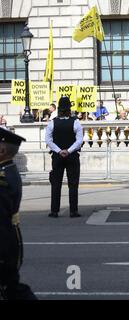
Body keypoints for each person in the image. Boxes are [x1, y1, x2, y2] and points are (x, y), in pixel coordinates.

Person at [0, 127, 37, 300]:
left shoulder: (3, 179)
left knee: (11, 289)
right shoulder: (8, 170)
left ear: (2, 150)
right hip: (9, 240)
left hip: (4, 243)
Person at [45, 96, 83, 218]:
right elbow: (79, 140)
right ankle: (73, 211)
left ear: (59, 109)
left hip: (57, 156)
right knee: (73, 184)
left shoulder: (52, 122)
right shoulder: (76, 122)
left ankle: (54, 210)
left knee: (56, 184)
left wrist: (59, 151)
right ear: (69, 109)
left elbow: (48, 140)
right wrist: (69, 150)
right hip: (72, 157)